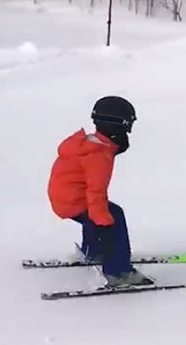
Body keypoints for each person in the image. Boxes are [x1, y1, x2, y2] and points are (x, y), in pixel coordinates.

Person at [47, 95, 152, 287]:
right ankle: (118, 272)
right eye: (128, 125)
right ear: (118, 127)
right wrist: (102, 218)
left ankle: (93, 250)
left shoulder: (88, 144)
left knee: (101, 214)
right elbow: (96, 191)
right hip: (73, 201)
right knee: (113, 218)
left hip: (64, 198)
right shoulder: (98, 156)